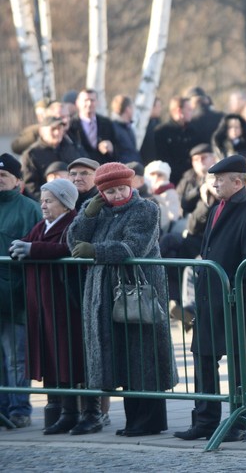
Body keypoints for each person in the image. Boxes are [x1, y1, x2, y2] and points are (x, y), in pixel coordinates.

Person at [67, 163, 176, 436]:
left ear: (132, 185)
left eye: (122, 189)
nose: (117, 195)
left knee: (142, 355)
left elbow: (134, 246)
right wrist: (88, 215)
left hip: (138, 289)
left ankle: (149, 421)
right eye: (110, 191)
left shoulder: (146, 209)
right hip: (105, 292)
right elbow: (74, 240)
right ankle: (132, 421)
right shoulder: (98, 210)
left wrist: (96, 250)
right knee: (124, 358)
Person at [174, 155, 246, 443]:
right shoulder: (216, 206)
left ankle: (238, 421)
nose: (214, 183)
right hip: (209, 297)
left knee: (238, 362)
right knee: (203, 358)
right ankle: (205, 420)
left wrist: (234, 291)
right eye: (213, 179)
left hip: (234, 299)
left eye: (220, 179)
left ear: (238, 182)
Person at [9, 179, 83, 434]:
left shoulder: (72, 224)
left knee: (66, 357)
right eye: (42, 200)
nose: (43, 205)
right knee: (50, 356)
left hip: (62, 303)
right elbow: (27, 243)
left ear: (64, 203)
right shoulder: (43, 225)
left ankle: (72, 412)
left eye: (49, 200)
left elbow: (68, 248)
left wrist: (32, 249)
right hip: (40, 303)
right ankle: (60, 410)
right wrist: (18, 248)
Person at [0, 153, 42, 429]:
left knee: (16, 358)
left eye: (3, 176)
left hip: (15, 296)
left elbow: (37, 246)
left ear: (17, 180)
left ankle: (19, 408)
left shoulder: (30, 208)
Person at [21, 115, 84, 199]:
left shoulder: (71, 148)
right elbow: (30, 187)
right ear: (41, 131)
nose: (57, 132)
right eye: (53, 129)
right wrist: (47, 201)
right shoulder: (31, 154)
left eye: (60, 128)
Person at [141, 96, 200, 185]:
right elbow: (160, 157)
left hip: (191, 179)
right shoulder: (161, 131)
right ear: (179, 111)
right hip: (171, 179)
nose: (192, 112)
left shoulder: (193, 130)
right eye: (189, 110)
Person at [67, 89, 119, 164]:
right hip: (81, 167)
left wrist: (111, 148)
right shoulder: (71, 125)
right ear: (77, 103)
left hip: (102, 168)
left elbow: (117, 147)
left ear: (97, 102)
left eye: (92, 100)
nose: (89, 103)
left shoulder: (106, 123)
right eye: (86, 100)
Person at [144, 161, 181, 235]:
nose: (156, 177)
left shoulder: (170, 191)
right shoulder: (143, 190)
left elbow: (174, 216)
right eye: (152, 174)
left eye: (159, 175)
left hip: (164, 230)